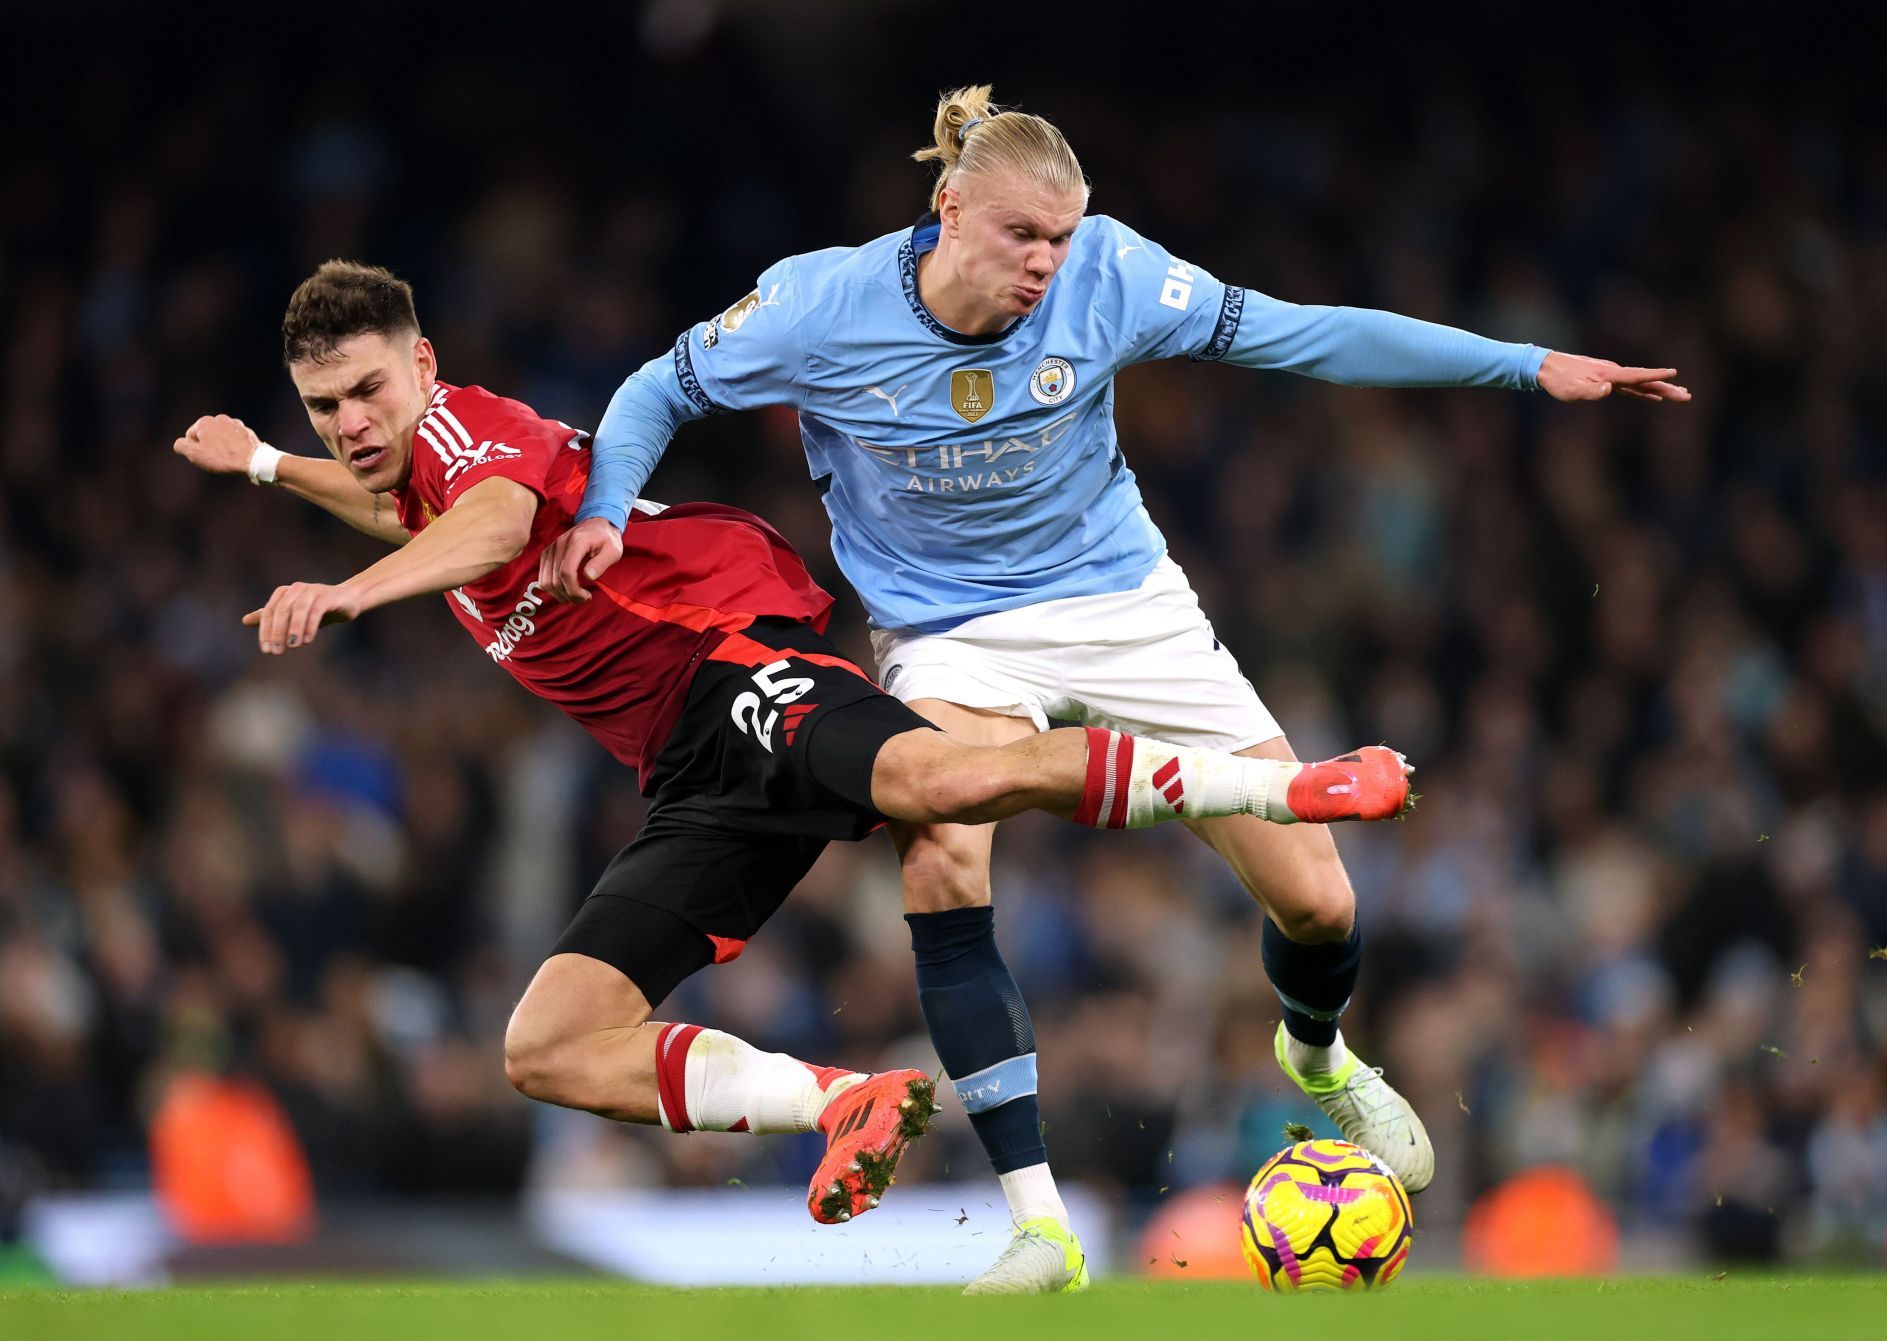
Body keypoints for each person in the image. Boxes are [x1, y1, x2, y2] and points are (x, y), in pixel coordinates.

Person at [543, 85, 1690, 1292]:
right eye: (1020, 237)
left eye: (1061, 238)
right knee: (939, 844)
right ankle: (1041, 1226)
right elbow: (655, 388)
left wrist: (1526, 365)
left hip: (1125, 609)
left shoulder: (1115, 276)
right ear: (946, 211)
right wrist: (609, 509)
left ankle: (1320, 1059)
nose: (1047, 264)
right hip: (950, 636)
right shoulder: (819, 303)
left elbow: (1306, 333)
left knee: (1321, 908)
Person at [172, 260, 1415, 1244]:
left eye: (368, 393)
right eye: (325, 406)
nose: (352, 423)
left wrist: (349, 597)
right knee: (546, 1046)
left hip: (731, 662)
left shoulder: (467, 434)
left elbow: (492, 518)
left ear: (422, 366)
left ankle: (1283, 786)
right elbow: (391, 497)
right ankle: (843, 1101)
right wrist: (272, 466)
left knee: (944, 780)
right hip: (687, 767)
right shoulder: (404, 475)